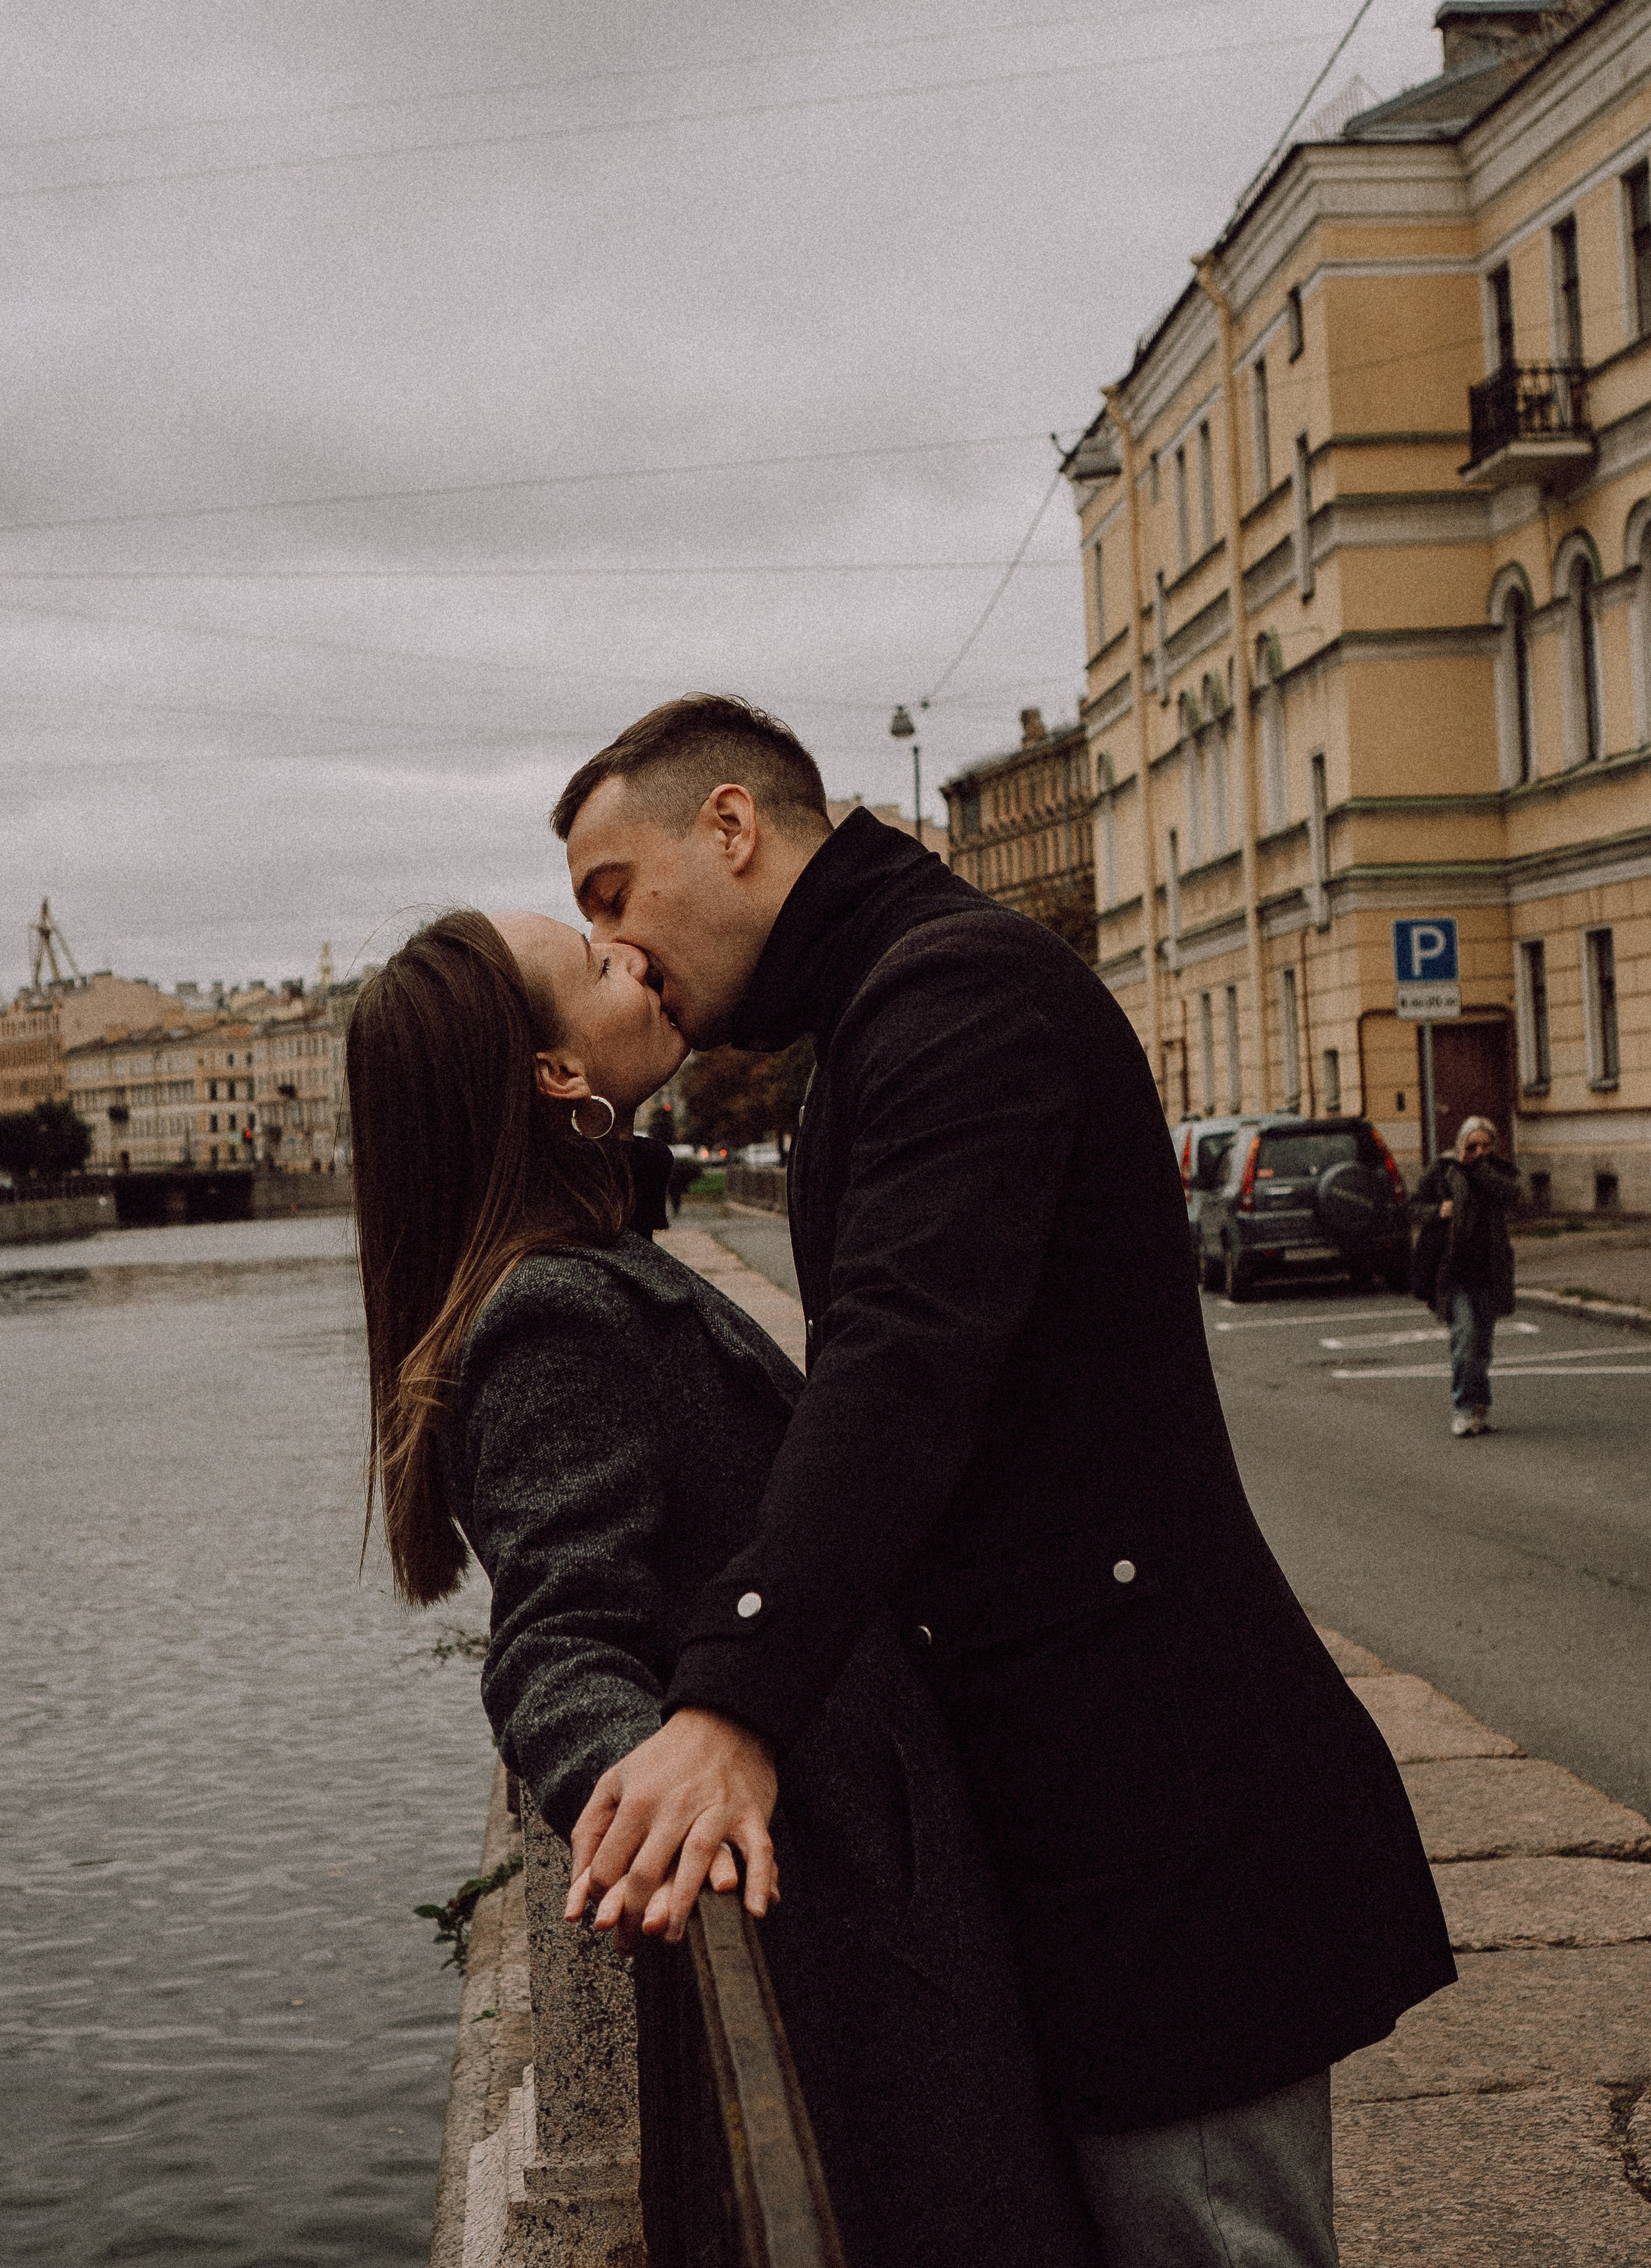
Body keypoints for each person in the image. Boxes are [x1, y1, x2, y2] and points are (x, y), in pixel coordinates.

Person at [550, 693, 1458, 2268]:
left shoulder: (952, 992)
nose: (618, 956)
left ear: (729, 827)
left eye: (611, 897)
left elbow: (901, 1363)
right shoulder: (890, 997)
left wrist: (729, 1701)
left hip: (1160, 1804)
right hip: (1092, 1801)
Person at [344, 906, 1095, 2268]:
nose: (632, 955)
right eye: (596, 963)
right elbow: (555, 1636)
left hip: (869, 1879)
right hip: (847, 1918)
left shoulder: (595, 1264)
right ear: (553, 1076)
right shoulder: (549, 1314)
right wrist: (639, 1778)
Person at [1416, 1115, 1519, 1438]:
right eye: (1472, 1145)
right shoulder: (1444, 1171)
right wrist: (1437, 1211)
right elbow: (1412, 1207)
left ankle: (1480, 1408)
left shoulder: (1495, 1172)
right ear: (1460, 1143)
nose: (1479, 1151)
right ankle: (1462, 1408)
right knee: (1464, 1339)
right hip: (1454, 1272)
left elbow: (1510, 1195)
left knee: (1483, 1347)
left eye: (1486, 1146)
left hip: (1489, 1272)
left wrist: (1477, 1167)